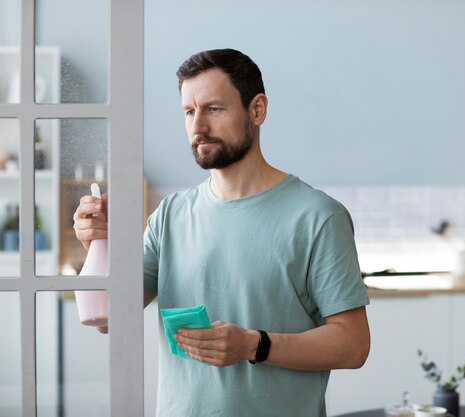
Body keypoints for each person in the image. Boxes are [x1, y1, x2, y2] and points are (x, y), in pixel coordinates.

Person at [73, 48, 370, 417]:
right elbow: (108, 317)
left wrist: (252, 345)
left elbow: (353, 345)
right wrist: (98, 244)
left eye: (213, 109)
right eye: (188, 111)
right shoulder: (170, 216)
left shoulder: (318, 217)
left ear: (257, 110)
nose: (198, 127)